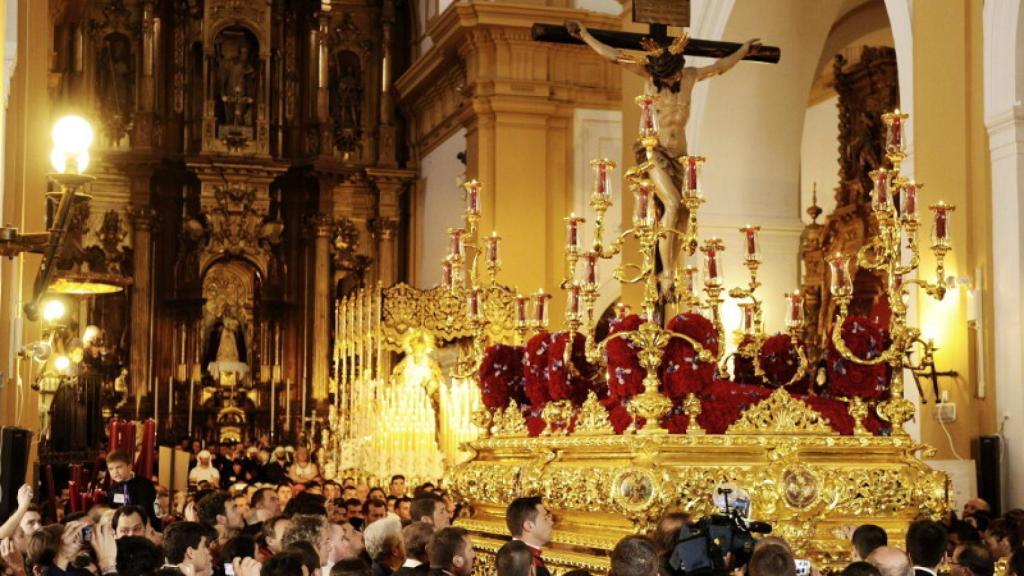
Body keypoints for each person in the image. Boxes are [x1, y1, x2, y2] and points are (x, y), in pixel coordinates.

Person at [566, 19, 759, 293]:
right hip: (653, 151)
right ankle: (666, 273)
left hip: (680, 155)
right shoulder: (648, 78)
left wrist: (743, 50)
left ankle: (672, 267)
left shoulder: (690, 76)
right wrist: (585, 35)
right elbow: (614, 57)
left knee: (681, 214)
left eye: (675, 77)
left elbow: (719, 67)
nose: (672, 81)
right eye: (667, 78)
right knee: (672, 203)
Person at [106, 449, 160, 529]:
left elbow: (154, 509)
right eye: (111, 469)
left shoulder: (144, 484)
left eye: (119, 467)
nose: (115, 472)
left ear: (129, 467)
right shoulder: (112, 489)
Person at [506, 497, 554, 576]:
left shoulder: (507, 556)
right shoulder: (528, 567)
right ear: (529, 526)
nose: (551, 522)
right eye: (545, 518)